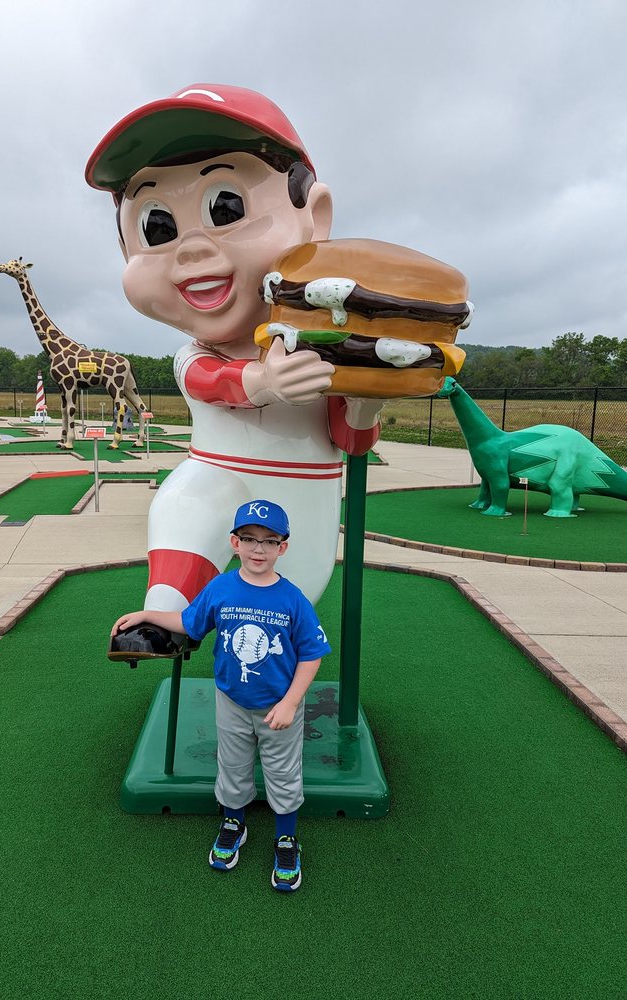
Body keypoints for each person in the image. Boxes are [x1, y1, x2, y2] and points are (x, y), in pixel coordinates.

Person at [86, 84, 383, 617]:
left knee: (288, 600)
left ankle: (273, 658)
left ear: (314, 217)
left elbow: (351, 440)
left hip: (303, 487)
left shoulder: (326, 348)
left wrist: (367, 398)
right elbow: (210, 381)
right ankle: (165, 611)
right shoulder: (193, 354)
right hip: (217, 470)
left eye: (226, 208)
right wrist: (265, 382)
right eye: (158, 226)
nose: (192, 248)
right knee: (183, 507)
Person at [111, 499, 331, 893]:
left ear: (282, 547)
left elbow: (312, 654)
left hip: (278, 704)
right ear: (234, 542)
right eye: (249, 539)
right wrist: (147, 615)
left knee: (283, 773)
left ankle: (286, 838)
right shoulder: (222, 587)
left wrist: (291, 702)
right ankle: (234, 823)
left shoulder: (292, 598)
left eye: (269, 541)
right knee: (231, 765)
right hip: (231, 700)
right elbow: (189, 621)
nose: (258, 549)